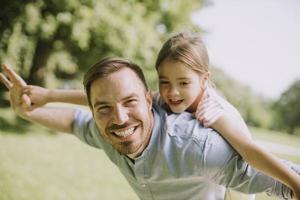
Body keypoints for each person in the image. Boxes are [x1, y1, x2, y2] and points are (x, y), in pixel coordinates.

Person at [17, 33, 300, 198]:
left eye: (184, 83)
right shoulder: (129, 116)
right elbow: (86, 114)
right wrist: (36, 105)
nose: (119, 118)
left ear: (204, 80)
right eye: (165, 83)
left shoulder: (204, 133)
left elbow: (254, 158)